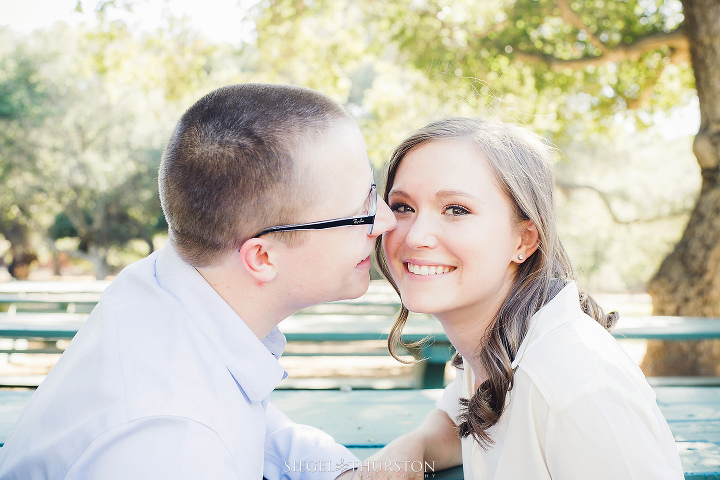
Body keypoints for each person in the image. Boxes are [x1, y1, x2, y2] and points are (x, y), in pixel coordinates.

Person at [0, 83, 396, 479]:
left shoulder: (168, 285)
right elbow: (198, 426)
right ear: (262, 257)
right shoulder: (170, 444)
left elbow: (260, 431)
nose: (386, 220)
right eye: (361, 211)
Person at [361, 117, 684, 479]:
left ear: (525, 240)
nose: (417, 236)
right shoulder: (504, 342)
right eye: (403, 207)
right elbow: (459, 421)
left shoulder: (576, 386)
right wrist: (416, 445)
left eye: (456, 209)